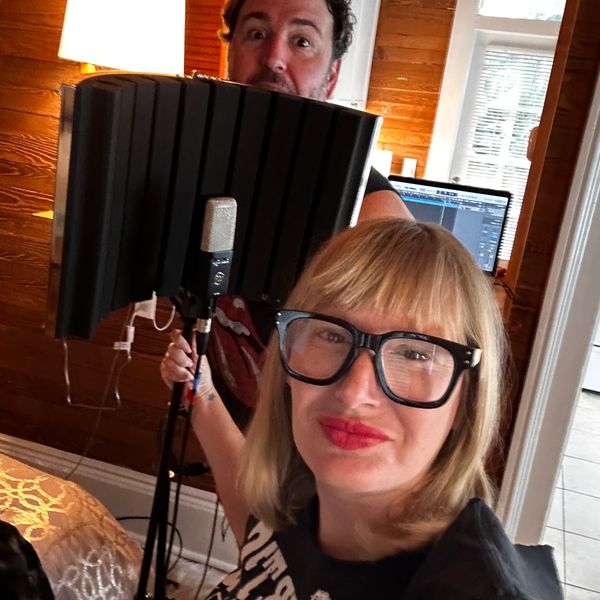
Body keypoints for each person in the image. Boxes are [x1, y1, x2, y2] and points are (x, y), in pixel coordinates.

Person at [161, 219, 561, 599]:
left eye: (414, 354)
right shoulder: (307, 496)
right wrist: (202, 395)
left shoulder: (472, 588)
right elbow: (265, 544)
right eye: (332, 335)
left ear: (467, 400)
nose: (354, 393)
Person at [202, 0, 415, 428]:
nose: (274, 58)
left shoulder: (371, 216)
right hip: (228, 429)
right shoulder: (205, 165)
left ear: (331, 75)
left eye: (301, 41)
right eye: (257, 34)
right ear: (231, 52)